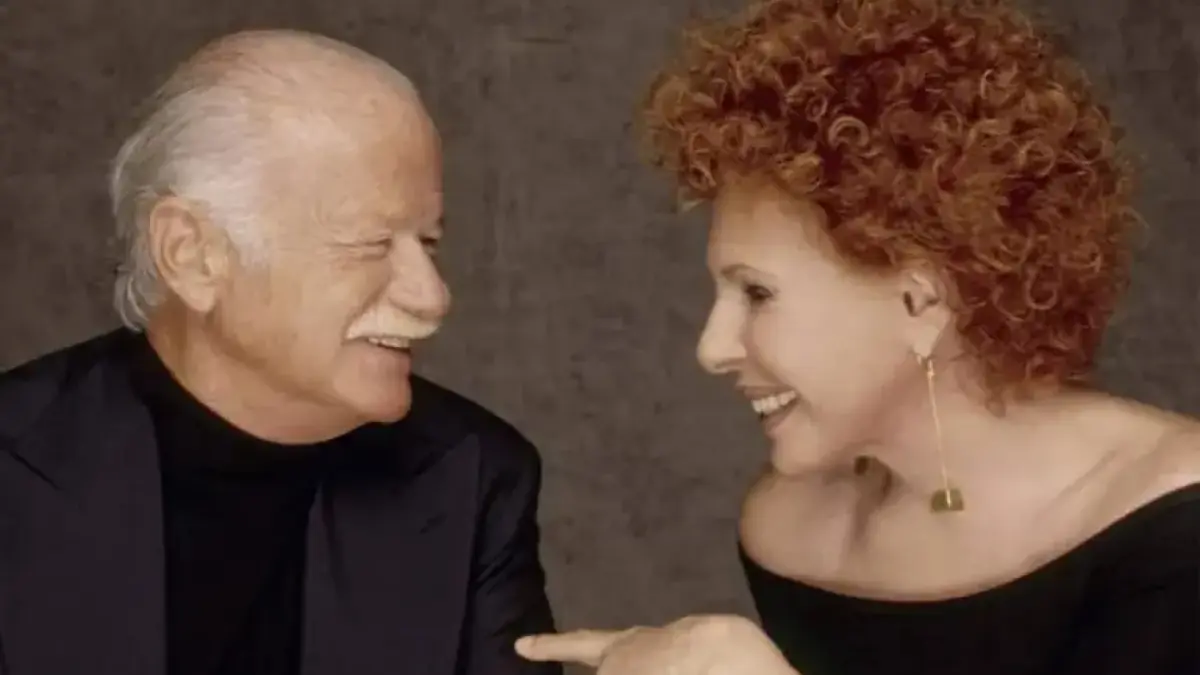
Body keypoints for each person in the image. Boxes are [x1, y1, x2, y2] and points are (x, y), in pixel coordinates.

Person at [516, 0, 1200, 673]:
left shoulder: (1176, 525)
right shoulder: (793, 534)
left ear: (921, 302)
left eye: (757, 292)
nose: (712, 347)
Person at [0, 30, 560, 675]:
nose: (432, 297)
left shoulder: (475, 475)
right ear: (192, 254)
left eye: (427, 242)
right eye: (370, 244)